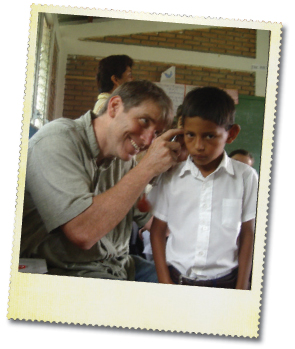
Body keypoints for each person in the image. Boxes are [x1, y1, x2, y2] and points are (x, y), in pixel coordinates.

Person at [20, 80, 185, 282]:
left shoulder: (125, 163)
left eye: (157, 133)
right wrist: (147, 168)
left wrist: (178, 172)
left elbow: (164, 226)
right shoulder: (56, 140)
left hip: (120, 267)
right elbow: (83, 232)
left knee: (189, 287)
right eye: (144, 121)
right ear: (114, 106)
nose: (148, 141)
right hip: (65, 272)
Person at [148, 87, 258, 290]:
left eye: (209, 136)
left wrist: (242, 286)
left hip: (226, 283)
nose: (198, 145)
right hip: (176, 280)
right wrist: (164, 281)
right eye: (190, 135)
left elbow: (247, 233)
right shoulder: (171, 175)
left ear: (231, 134)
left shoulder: (246, 177)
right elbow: (157, 231)